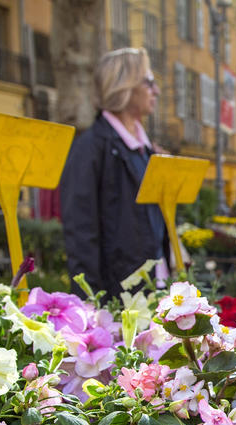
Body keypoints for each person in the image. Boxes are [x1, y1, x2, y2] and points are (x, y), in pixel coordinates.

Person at [60, 47, 167, 299]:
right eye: (149, 81)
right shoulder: (92, 148)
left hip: (156, 289)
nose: (156, 91)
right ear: (125, 85)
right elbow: (81, 234)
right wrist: (90, 305)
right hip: (118, 297)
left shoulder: (146, 150)